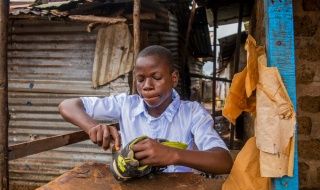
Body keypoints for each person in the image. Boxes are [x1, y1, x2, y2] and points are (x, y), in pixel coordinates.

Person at [58, 45, 232, 175]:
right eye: (140, 80)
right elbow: (67, 105)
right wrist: (93, 127)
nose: (147, 86)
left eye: (156, 78)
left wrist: (173, 155)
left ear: (174, 78)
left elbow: (224, 161)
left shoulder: (192, 113)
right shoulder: (125, 104)